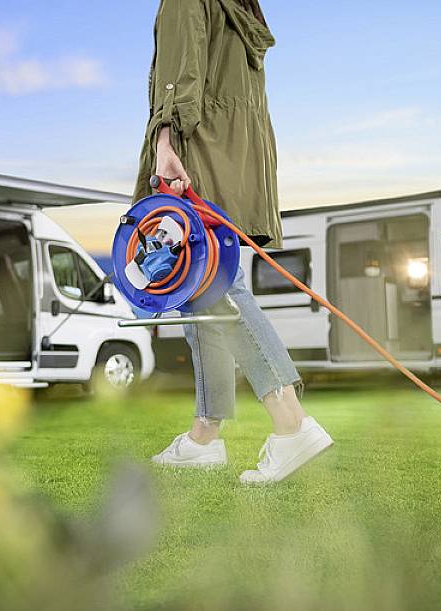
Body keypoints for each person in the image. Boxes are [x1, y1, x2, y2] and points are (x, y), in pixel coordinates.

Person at [133, 0, 334, 484]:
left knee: (217, 286)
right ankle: (205, 434)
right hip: (237, 157)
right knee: (200, 295)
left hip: (196, 152)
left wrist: (165, 143)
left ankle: (291, 424)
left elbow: (179, 73)